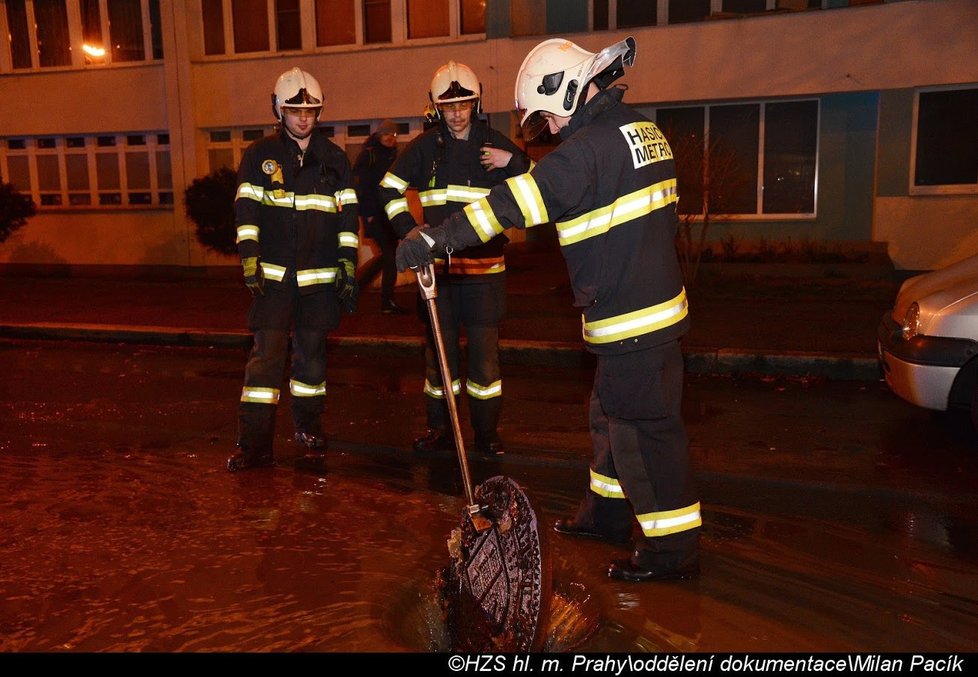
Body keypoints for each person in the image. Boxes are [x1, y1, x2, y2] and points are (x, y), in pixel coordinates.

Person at [395, 38, 701, 582]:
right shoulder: (642, 130)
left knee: (642, 432)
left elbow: (512, 205)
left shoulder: (584, 151)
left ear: (567, 90)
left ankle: (670, 552)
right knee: (609, 417)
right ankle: (605, 514)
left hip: (633, 319)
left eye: (547, 118)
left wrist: (437, 238)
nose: (551, 131)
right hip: (644, 313)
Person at [379, 61, 533, 457]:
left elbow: (539, 186)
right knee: (440, 364)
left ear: (476, 102)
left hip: (485, 276)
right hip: (437, 278)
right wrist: (407, 232)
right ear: (435, 107)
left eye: (464, 104)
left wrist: (511, 162)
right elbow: (388, 190)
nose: (458, 113)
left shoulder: (494, 144)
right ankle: (441, 431)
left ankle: (485, 436)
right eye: (449, 107)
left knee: (485, 367)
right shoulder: (425, 148)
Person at [228, 66, 359, 473]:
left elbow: (348, 219)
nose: (303, 118)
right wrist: (249, 255)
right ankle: (254, 445)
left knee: (312, 363)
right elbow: (246, 209)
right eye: (294, 111)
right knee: (265, 360)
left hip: (319, 283)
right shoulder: (260, 156)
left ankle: (308, 427)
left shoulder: (334, 159)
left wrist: (348, 265)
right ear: (279, 111)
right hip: (273, 280)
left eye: (311, 111)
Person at [352, 119, 407, 314]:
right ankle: (386, 301)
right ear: (378, 136)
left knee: (387, 256)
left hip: (389, 215)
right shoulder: (370, 156)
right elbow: (362, 188)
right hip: (376, 214)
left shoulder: (393, 156)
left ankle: (355, 289)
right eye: (387, 135)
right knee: (389, 257)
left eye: (393, 135)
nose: (391, 138)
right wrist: (367, 214)